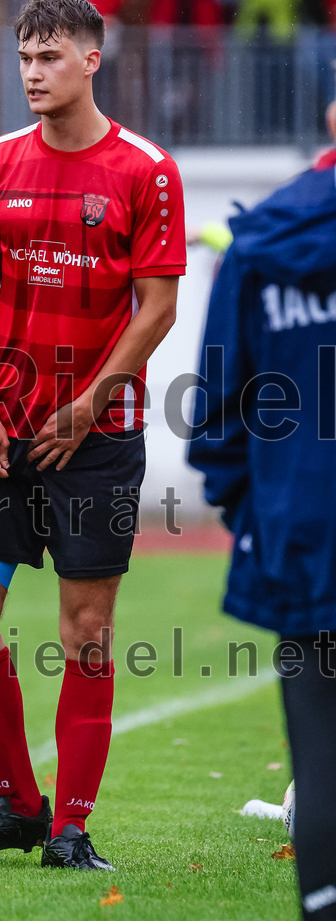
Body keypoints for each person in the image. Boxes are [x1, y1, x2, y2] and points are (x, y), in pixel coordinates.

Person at [0, 0, 185, 871]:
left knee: (86, 632)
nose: (33, 74)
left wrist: (88, 405)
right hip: (3, 432)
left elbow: (158, 308)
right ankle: (18, 808)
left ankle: (71, 827)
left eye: (49, 58)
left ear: (91, 61)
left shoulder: (145, 169)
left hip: (98, 437)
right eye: (24, 60)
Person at [188, 103, 336, 921]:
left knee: (320, 765)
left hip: (301, 531)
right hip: (296, 523)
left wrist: (260, 505)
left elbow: (217, 410)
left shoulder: (260, 239)